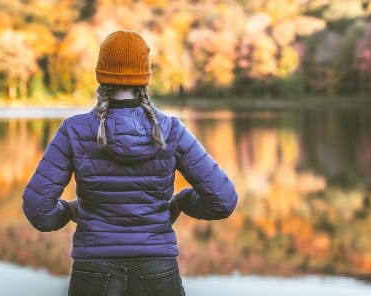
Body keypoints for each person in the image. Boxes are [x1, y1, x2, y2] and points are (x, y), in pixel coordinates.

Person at [22, 29, 238, 295]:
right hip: (157, 271)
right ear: (144, 79)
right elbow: (223, 200)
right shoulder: (171, 130)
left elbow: (37, 209)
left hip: (93, 272)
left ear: (101, 76)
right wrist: (181, 202)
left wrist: (68, 212)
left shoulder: (75, 130)